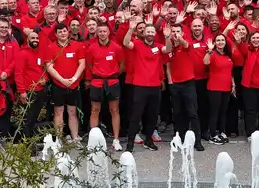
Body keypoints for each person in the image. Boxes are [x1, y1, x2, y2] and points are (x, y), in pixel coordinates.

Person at [122, 20, 163, 152]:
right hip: (140, 86)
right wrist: (130, 29)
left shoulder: (158, 46)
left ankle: (148, 141)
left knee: (152, 116)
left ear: (155, 33)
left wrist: (168, 37)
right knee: (136, 116)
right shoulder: (137, 44)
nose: (150, 33)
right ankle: (130, 144)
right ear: (144, 33)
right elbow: (126, 43)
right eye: (148, 31)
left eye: (152, 31)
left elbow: (168, 49)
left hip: (155, 86)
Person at [163, 21, 204, 150]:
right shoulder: (169, 46)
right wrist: (170, 82)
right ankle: (179, 139)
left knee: (192, 113)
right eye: (173, 31)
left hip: (188, 83)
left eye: (178, 31)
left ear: (182, 33)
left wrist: (179, 38)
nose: (175, 34)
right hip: (175, 84)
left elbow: (185, 44)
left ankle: (198, 141)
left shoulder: (187, 44)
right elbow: (168, 64)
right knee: (178, 113)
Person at [87, 23, 126, 149]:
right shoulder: (92, 48)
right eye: (100, 31)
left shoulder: (116, 47)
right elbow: (90, 65)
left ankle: (116, 140)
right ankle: (93, 141)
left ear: (109, 33)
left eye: (105, 31)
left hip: (112, 82)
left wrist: (113, 74)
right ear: (97, 33)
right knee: (94, 110)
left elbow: (122, 65)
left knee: (114, 110)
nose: (102, 34)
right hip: (97, 82)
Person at [45, 23, 86, 144]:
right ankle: (58, 139)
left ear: (68, 32)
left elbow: (82, 63)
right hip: (58, 85)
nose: (63, 33)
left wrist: (74, 78)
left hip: (73, 84)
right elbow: (49, 67)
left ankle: (75, 138)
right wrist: (62, 80)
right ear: (56, 34)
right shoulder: (50, 47)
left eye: (64, 31)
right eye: (60, 32)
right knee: (58, 112)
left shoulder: (77, 45)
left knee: (72, 112)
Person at [15, 30, 49, 138]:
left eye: (37, 38)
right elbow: (18, 73)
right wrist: (22, 91)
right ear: (28, 40)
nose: (35, 40)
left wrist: (45, 79)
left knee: (34, 117)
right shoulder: (22, 54)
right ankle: (25, 141)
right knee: (27, 118)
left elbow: (44, 70)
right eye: (33, 38)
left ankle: (29, 139)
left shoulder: (40, 53)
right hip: (28, 91)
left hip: (40, 90)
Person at [204, 33, 234, 145]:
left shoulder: (227, 55)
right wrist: (209, 51)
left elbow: (230, 71)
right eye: (218, 40)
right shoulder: (212, 54)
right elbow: (205, 62)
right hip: (214, 88)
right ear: (215, 43)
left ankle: (222, 131)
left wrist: (233, 84)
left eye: (222, 40)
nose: (220, 42)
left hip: (226, 87)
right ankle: (213, 134)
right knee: (214, 112)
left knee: (223, 111)